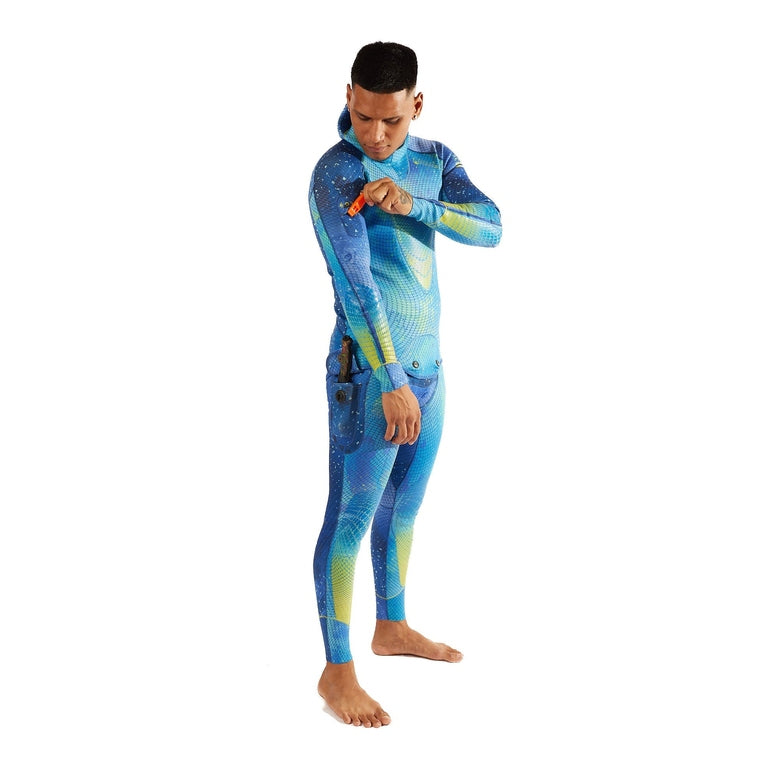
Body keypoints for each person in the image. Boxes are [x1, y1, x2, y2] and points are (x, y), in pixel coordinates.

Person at [308, 41, 502, 727]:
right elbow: (355, 285)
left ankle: (391, 626)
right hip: (370, 374)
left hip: (430, 369)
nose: (375, 133)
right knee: (350, 516)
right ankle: (336, 670)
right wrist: (389, 378)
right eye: (363, 116)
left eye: (390, 120)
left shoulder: (433, 161)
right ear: (349, 97)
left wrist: (416, 205)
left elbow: (491, 227)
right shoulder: (337, 171)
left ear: (415, 105)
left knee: (404, 508)